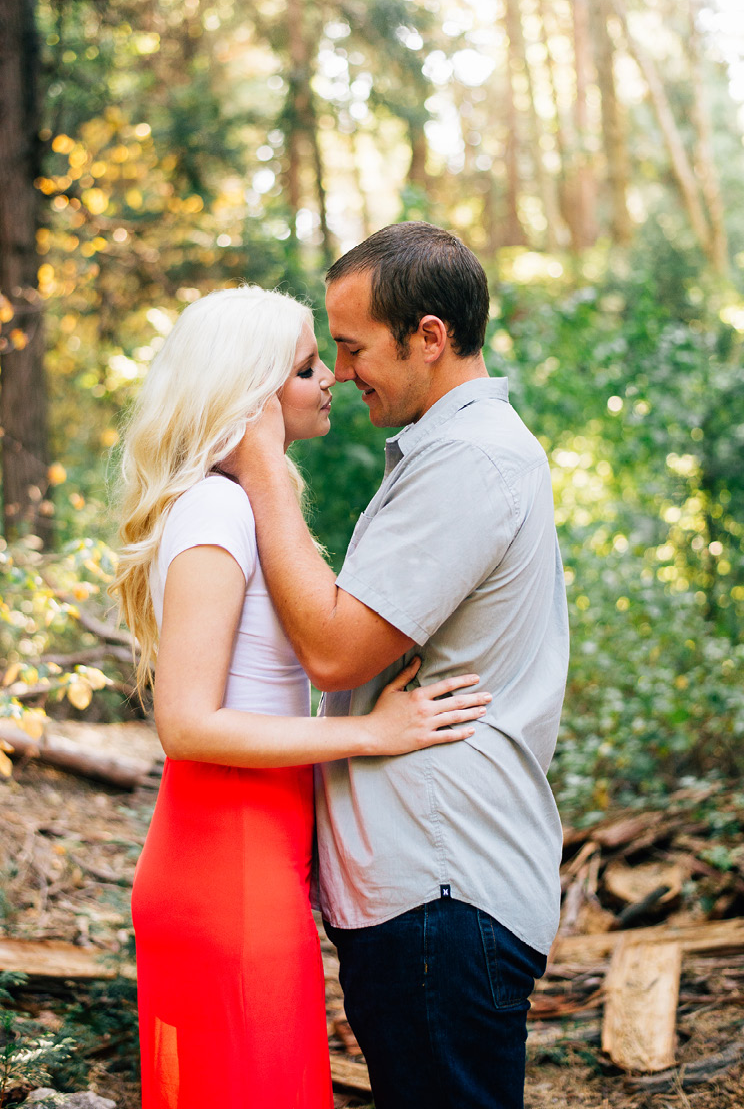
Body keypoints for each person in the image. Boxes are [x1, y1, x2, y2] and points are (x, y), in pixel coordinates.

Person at [110, 285, 492, 1109]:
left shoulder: (241, 505)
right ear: (251, 395)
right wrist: (373, 733)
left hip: (247, 864)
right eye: (306, 366)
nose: (330, 379)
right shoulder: (216, 510)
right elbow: (186, 724)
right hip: (226, 868)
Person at [229, 223, 569, 1109]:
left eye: (352, 348)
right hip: (426, 891)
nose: (340, 372)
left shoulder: (468, 459)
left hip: (441, 892)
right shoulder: (449, 449)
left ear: (429, 336)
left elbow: (339, 649)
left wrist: (262, 464)